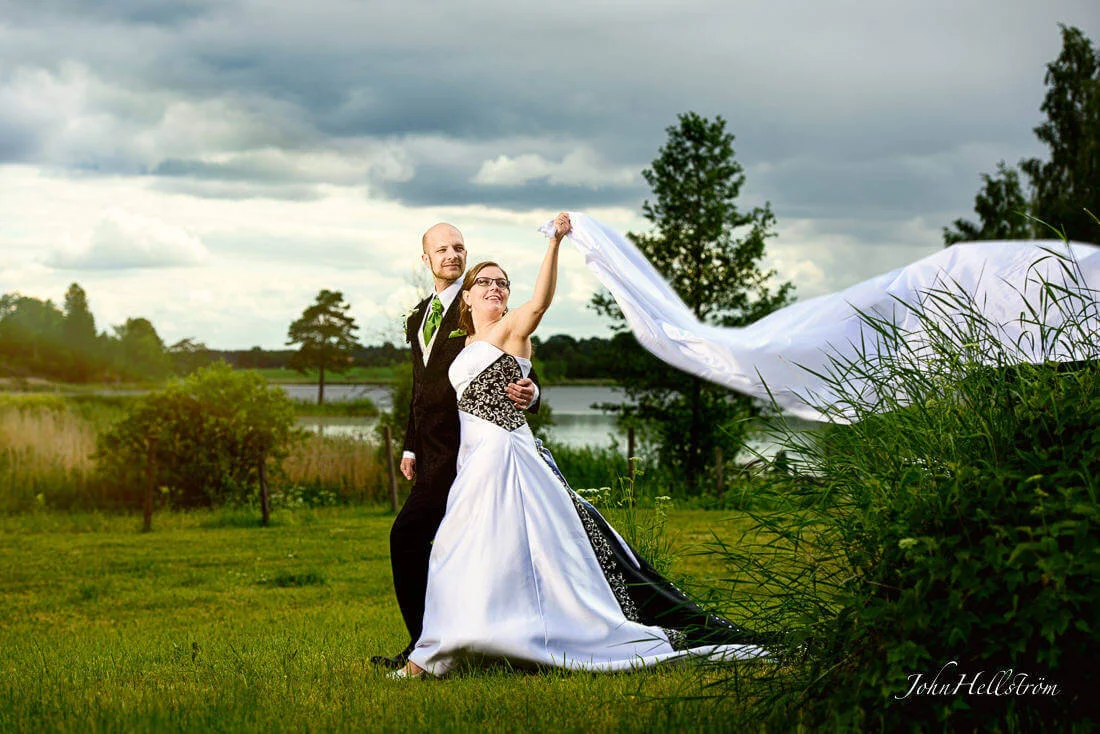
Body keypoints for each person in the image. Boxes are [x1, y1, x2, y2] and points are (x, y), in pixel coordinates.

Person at [395, 213, 770, 678]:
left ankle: (453, 650)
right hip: (461, 459)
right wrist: (411, 445)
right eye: (484, 281)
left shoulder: (511, 327)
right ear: (455, 285)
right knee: (455, 552)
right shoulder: (447, 329)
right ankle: (443, 645)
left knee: (488, 552)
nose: (493, 287)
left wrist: (554, 245)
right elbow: (424, 392)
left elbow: (536, 315)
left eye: (501, 282)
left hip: (500, 455)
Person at [371, 222, 540, 671]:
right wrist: (410, 446)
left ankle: (427, 648)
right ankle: (434, 643)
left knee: (411, 537)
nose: (452, 254)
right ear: (425, 259)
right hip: (430, 456)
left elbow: (516, 361)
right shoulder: (418, 317)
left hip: (472, 453)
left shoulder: (480, 304)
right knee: (446, 546)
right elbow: (420, 387)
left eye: (459, 248)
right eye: (442, 249)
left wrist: (533, 393)